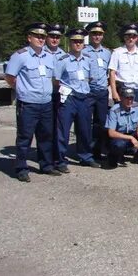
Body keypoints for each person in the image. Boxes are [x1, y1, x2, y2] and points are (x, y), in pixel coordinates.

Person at [5, 23, 59, 181]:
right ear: (29, 38)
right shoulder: (20, 56)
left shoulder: (49, 57)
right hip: (28, 103)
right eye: (37, 36)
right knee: (24, 137)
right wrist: (22, 90)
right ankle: (21, 168)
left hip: (46, 103)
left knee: (46, 136)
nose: (41, 39)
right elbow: (10, 77)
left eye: (43, 37)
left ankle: (46, 165)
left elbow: (53, 78)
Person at [54, 28, 99, 171]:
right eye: (75, 41)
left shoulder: (88, 60)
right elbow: (56, 81)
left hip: (84, 98)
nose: (78, 44)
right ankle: (60, 160)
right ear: (70, 42)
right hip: (69, 98)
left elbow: (91, 78)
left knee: (85, 130)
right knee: (63, 131)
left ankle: (85, 157)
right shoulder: (63, 60)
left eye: (80, 41)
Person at [105, 86, 138, 168]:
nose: (130, 101)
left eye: (131, 98)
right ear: (121, 98)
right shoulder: (114, 110)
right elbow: (111, 133)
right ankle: (113, 158)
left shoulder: (136, 106)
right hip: (120, 137)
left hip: (132, 134)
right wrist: (130, 138)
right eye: (127, 98)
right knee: (119, 144)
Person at [84, 21, 111, 161]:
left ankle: (98, 150)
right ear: (89, 35)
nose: (97, 36)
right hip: (87, 92)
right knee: (86, 122)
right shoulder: (83, 51)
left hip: (102, 92)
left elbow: (110, 72)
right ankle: (85, 150)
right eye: (94, 33)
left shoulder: (107, 53)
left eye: (99, 34)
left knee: (101, 122)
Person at [108, 23, 138, 111]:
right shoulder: (117, 53)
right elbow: (112, 73)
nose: (131, 39)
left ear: (137, 38)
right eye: (128, 36)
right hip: (123, 89)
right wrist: (114, 92)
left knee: (136, 115)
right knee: (121, 114)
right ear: (124, 37)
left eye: (134, 36)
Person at [42, 23, 66, 161]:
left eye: (57, 37)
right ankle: (46, 156)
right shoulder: (41, 52)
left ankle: (57, 156)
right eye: (52, 36)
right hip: (44, 95)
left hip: (59, 94)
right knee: (45, 127)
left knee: (58, 126)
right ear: (47, 37)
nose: (55, 39)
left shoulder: (63, 55)